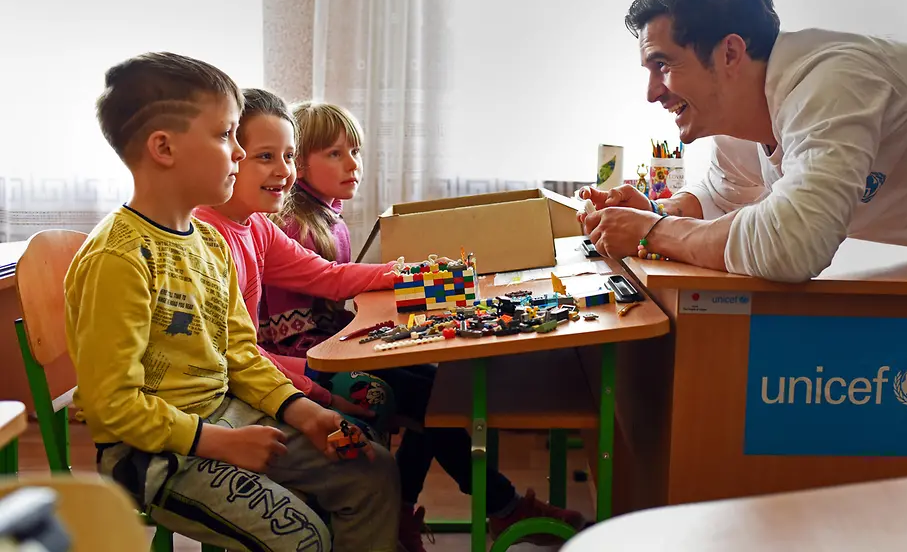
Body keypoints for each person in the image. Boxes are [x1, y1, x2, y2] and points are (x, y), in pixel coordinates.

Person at [64, 52, 400, 551]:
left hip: (227, 413)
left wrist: (300, 410)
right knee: (302, 539)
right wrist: (216, 441)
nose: (239, 154)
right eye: (226, 136)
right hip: (154, 454)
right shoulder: (119, 258)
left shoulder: (211, 242)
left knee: (373, 470)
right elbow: (113, 407)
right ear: (164, 148)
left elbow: (241, 352)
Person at [261, 101, 586, 550]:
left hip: (335, 347)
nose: (352, 164)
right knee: (435, 399)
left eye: (354, 151)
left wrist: (411, 278)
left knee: (439, 391)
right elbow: (316, 307)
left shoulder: (326, 217)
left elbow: (338, 290)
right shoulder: (294, 224)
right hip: (307, 361)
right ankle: (503, 507)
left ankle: (413, 512)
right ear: (300, 161)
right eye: (334, 154)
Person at [582, 0, 907, 283]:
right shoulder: (742, 125)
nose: (652, 93)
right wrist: (656, 209)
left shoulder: (831, 83)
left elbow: (793, 246)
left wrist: (652, 231)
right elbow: (726, 196)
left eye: (663, 65)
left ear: (730, 53)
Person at [193, 87, 399, 444]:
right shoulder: (207, 241)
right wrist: (318, 392)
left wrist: (409, 272)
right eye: (266, 156)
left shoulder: (256, 225)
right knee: (377, 399)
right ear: (229, 156)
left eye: (288, 156)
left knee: (407, 386)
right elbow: (235, 357)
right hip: (239, 380)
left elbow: (327, 276)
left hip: (263, 367)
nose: (285, 172)